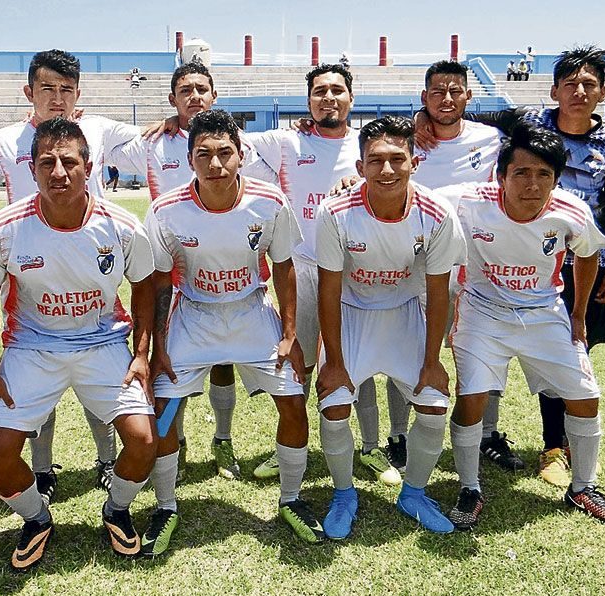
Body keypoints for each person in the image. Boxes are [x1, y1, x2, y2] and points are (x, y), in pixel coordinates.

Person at [416, 46, 605, 487]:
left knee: (581, 387)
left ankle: (576, 476)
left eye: (589, 84)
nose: (578, 91)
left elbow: (601, 236)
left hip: (550, 288)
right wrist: (419, 120)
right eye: (570, 83)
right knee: (471, 389)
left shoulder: (586, 187)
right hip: (486, 299)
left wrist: (588, 300)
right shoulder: (519, 133)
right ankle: (469, 485)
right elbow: (453, 128)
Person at [0, 118, 159, 567]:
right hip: (32, 347)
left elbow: (146, 285)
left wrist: (141, 355)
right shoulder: (4, 228)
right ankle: (37, 518)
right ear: (32, 170)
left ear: (88, 167)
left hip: (102, 342)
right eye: (46, 163)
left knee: (143, 442)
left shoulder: (121, 226)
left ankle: (116, 509)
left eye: (68, 162)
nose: (58, 172)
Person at [0, 49, 145, 499]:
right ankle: (41, 470)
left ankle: (107, 461)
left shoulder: (96, 131)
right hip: (27, 268)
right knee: (34, 391)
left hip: (91, 262)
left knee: (98, 388)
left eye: (66, 89)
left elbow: (159, 139)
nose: (58, 97)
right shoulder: (5, 142)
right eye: (48, 88)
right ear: (30, 92)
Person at [145, 109, 323, 550]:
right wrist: (159, 345)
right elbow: (160, 280)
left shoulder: (269, 201)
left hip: (251, 311)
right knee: (164, 413)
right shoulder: (166, 211)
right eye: (203, 154)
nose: (215, 163)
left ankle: (291, 498)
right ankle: (165, 506)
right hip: (194, 316)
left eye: (225, 152)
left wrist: (289, 334)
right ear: (190, 160)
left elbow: (283, 268)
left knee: (293, 403)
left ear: (242, 155)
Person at [441, 124, 605, 530]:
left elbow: (587, 254)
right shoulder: (468, 201)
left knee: (585, 396)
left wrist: (578, 313)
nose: (532, 184)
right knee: (472, 397)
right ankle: (470, 488)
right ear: (501, 176)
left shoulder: (570, 210)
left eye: (544, 174)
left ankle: (583, 486)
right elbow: (412, 194)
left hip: (545, 312)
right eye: (522, 173)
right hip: (482, 312)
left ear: (556, 179)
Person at [108, 61, 276, 482]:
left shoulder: (239, 143)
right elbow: (93, 142)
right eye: (185, 90)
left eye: (202, 89)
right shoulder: (152, 142)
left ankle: (223, 440)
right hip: (172, 270)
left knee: (223, 363)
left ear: (214, 97)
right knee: (171, 368)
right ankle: (175, 445)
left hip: (226, 270)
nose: (195, 96)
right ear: (172, 99)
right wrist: (61, 116)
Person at [245, 64, 400, 485]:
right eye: (319, 92)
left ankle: (370, 448)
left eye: (336, 90)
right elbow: (220, 139)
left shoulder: (368, 144)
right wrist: (176, 121)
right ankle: (291, 447)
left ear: (352, 97)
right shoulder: (285, 140)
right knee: (300, 360)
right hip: (303, 265)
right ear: (308, 99)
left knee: (354, 356)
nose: (327, 98)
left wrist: (363, 176)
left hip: (356, 268)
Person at [315, 116, 466, 537]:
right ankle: (344, 493)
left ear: (413, 162)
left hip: (403, 312)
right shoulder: (335, 211)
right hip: (351, 312)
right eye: (375, 160)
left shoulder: (436, 213)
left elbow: (439, 292)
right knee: (335, 404)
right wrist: (334, 362)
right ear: (360, 166)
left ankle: (414, 493)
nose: (387, 170)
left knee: (435, 404)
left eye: (397, 159)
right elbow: (329, 290)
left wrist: (433, 360)